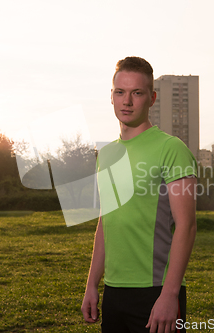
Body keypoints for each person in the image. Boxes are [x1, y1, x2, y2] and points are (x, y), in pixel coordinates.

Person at [81, 56, 197, 333]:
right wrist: (91, 285)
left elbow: (187, 226)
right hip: (114, 292)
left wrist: (169, 295)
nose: (127, 101)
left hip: (156, 291)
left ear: (152, 98)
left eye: (137, 93)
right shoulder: (107, 154)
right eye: (120, 92)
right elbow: (105, 222)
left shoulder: (172, 149)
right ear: (111, 97)